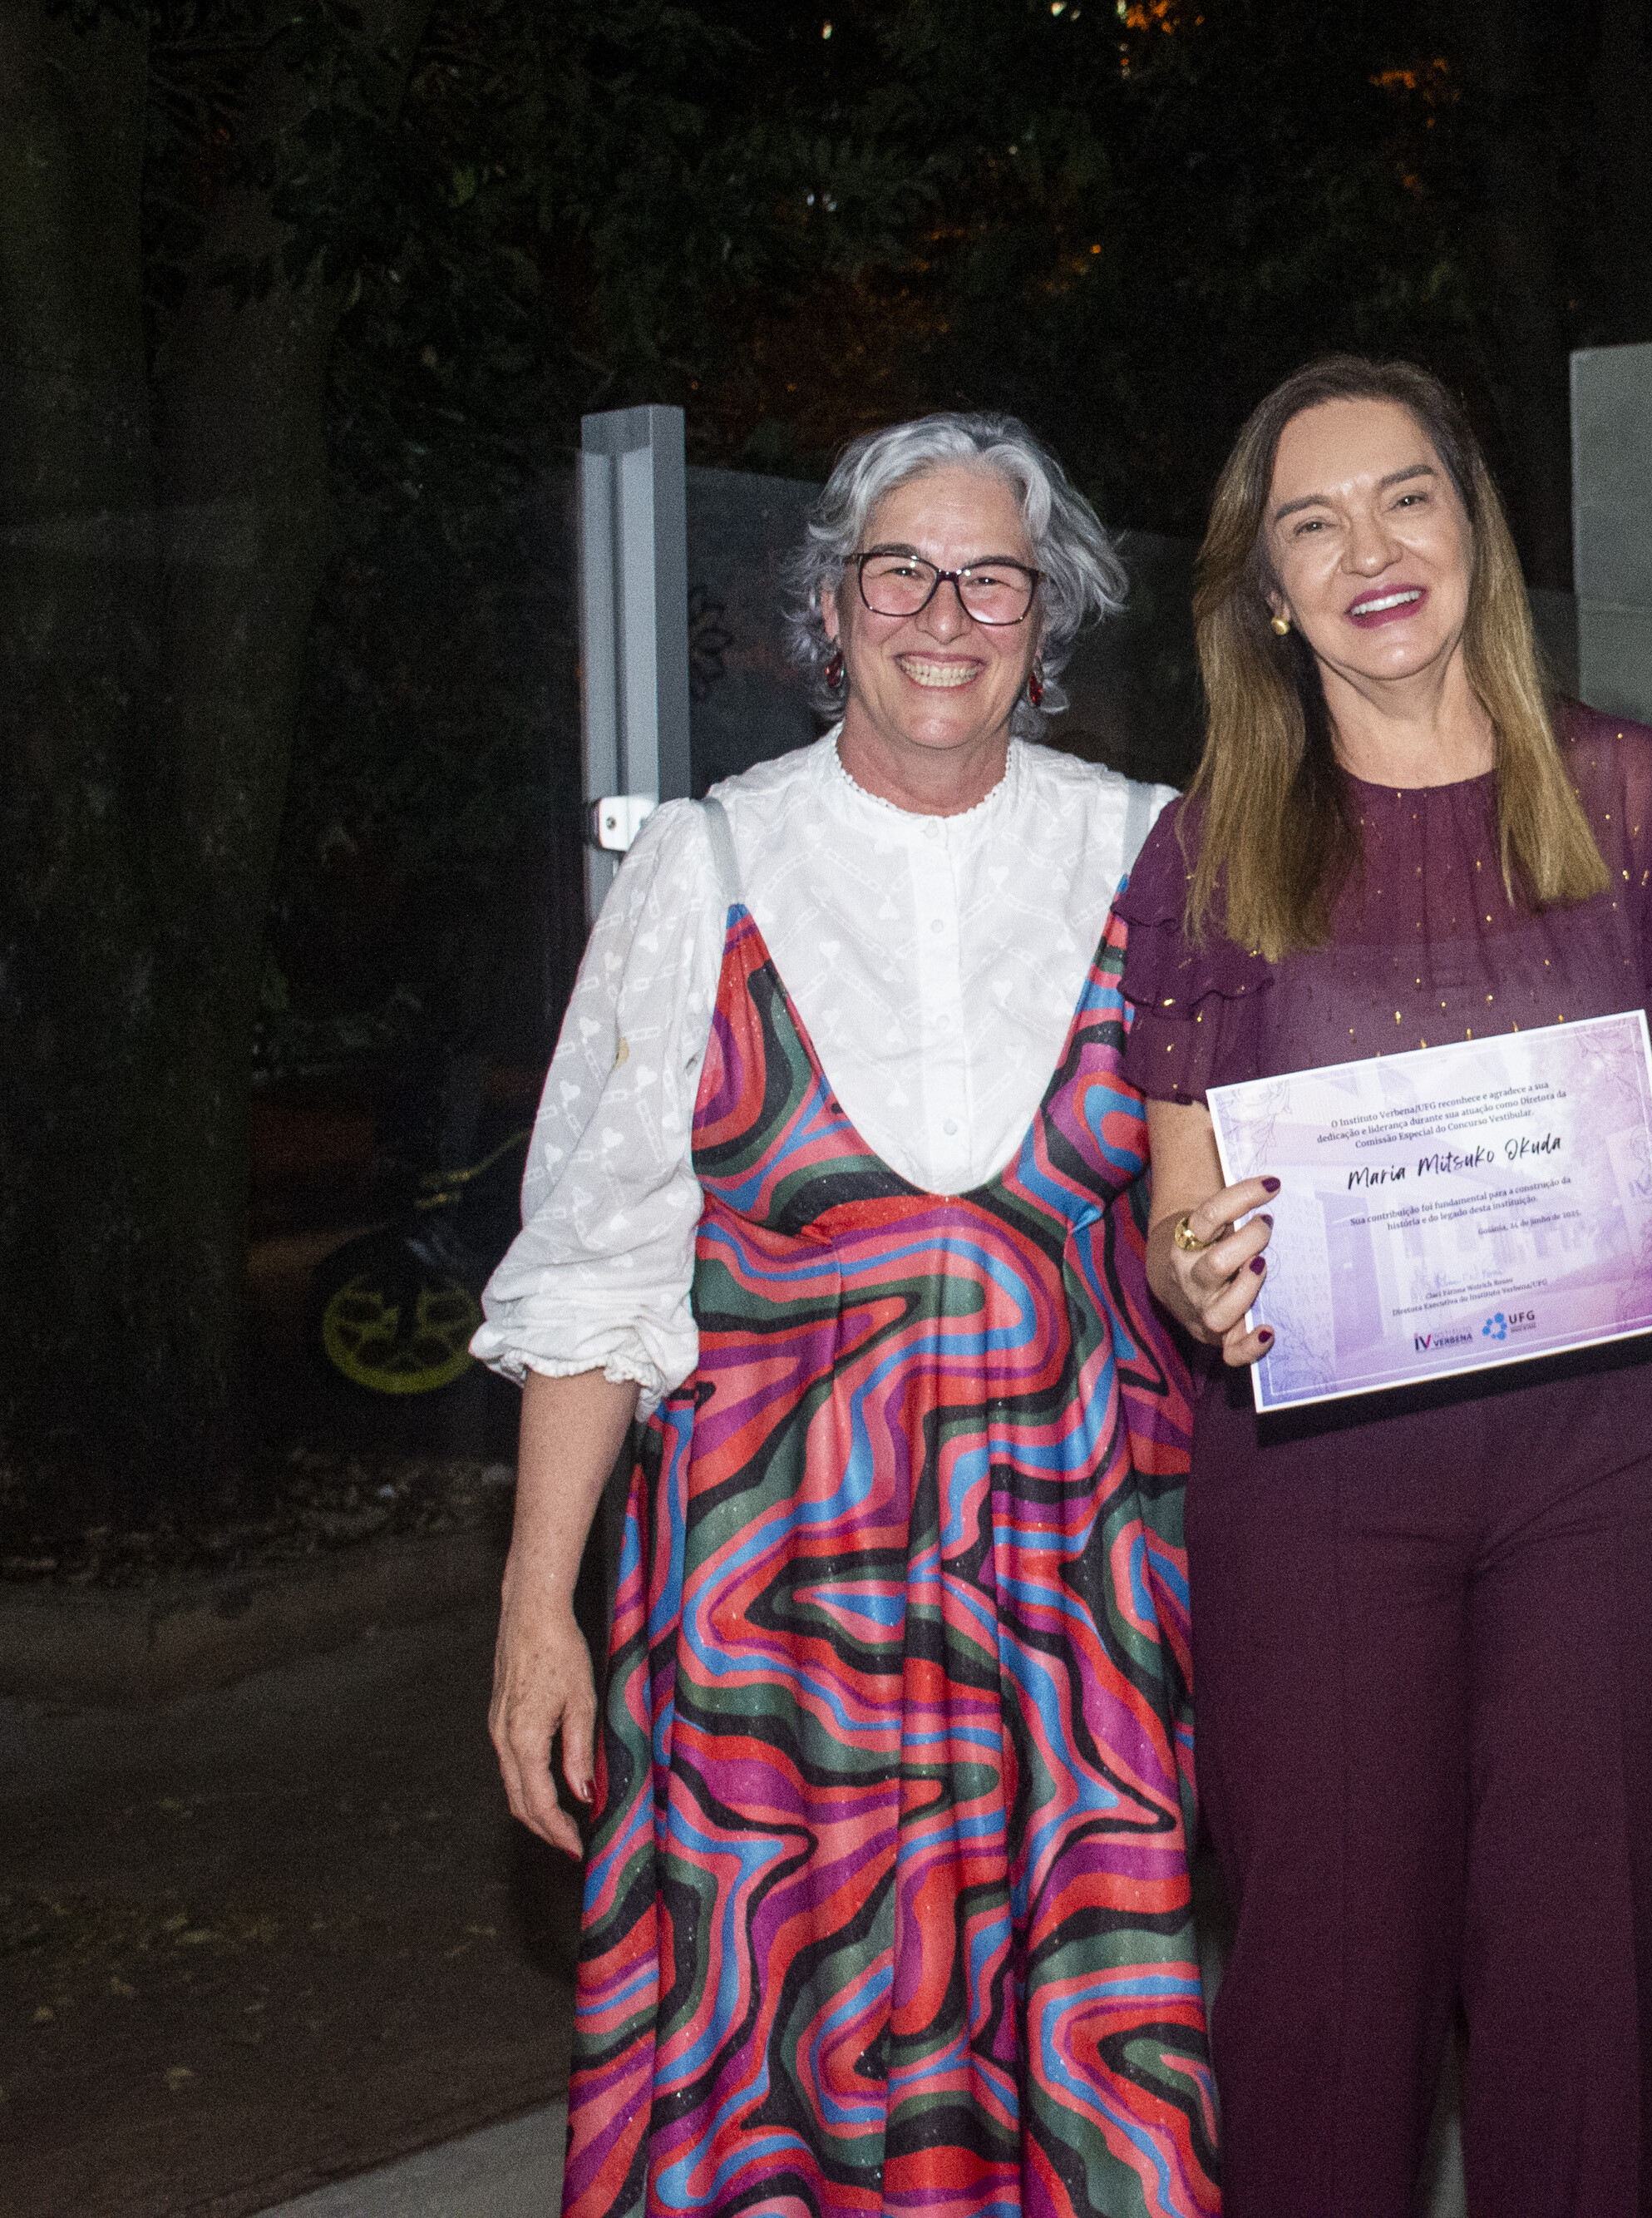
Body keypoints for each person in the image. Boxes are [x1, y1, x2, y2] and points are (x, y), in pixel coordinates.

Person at [478, 412, 1215, 2215]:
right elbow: (596, 1265)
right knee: (772, 2089)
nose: (943, 610)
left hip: (1071, 1612)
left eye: (991, 575)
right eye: (902, 568)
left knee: (1081, 2070)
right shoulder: (702, 866)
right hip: (761, 1626)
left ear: (1049, 623)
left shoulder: (1159, 855)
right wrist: (534, 1613)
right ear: (832, 607)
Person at [1111, 355, 1652, 2218]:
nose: (1367, 550)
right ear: (1263, 591)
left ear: (1472, 523)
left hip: (1606, 1462)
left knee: (1585, 1979)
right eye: (1309, 524)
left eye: (1405, 497)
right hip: (1314, 1477)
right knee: (1325, 1994)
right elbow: (1180, 1211)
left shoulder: (1637, 795)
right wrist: (1201, 1266)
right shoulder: (1212, 847)